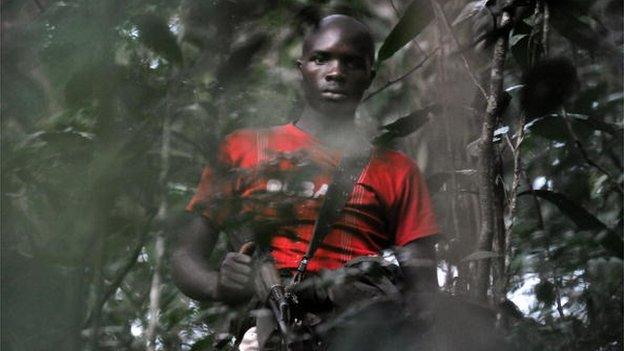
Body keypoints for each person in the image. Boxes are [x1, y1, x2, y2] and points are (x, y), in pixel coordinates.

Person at [171, 14, 440, 348]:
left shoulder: (397, 170)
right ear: (302, 68)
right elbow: (185, 256)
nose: (336, 72)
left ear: (370, 75)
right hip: (266, 330)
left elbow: (425, 294)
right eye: (321, 59)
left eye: (352, 63)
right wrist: (218, 286)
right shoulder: (243, 149)